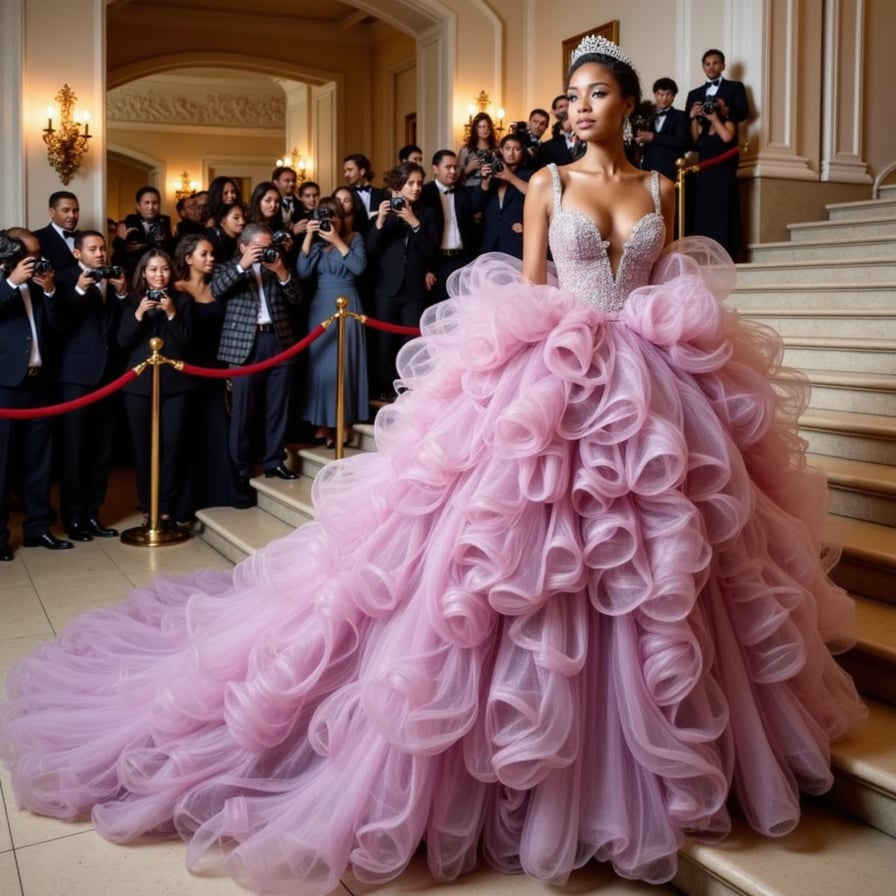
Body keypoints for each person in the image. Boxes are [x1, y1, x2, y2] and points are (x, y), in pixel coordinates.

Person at [0, 34, 866, 896]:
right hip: (558, 373)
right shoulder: (546, 184)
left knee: (659, 562)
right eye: (572, 94)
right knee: (519, 556)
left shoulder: (656, 187)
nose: (578, 105)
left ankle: (636, 746)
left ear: (628, 104)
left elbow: (658, 277)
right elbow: (532, 285)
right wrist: (544, 369)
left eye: (595, 92)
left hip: (650, 382)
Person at [211, 223, 302, 483]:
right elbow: (217, 291)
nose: (264, 252)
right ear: (243, 246)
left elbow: (297, 298)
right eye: (258, 247)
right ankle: (239, 467)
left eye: (268, 247)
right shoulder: (227, 267)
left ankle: (274, 461)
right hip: (243, 346)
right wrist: (244, 264)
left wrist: (282, 271)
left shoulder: (277, 264)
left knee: (278, 407)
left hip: (278, 340)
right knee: (243, 410)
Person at [53, 230, 129, 540]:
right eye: (93, 249)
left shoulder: (111, 278)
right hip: (75, 376)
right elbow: (56, 324)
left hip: (109, 376)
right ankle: (72, 519)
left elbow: (119, 329)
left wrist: (123, 295)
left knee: (101, 450)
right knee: (74, 450)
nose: (100, 254)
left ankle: (93, 514)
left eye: (103, 248)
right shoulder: (62, 279)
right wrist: (80, 292)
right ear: (77, 253)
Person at [0, 228, 68, 559]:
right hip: (6, 386)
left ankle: (39, 528)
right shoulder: (4, 282)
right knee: (1, 463)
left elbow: (57, 327)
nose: (41, 257)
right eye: (34, 251)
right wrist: (12, 282)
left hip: (41, 383)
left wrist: (52, 290)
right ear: (14, 253)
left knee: (40, 460)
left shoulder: (42, 283)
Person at [172, 235, 249, 515]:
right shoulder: (176, 289)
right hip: (186, 370)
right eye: (204, 254)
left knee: (218, 427)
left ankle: (221, 490)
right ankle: (185, 499)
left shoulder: (216, 289)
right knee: (189, 433)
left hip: (215, 368)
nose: (211, 258)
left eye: (212, 254)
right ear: (188, 258)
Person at [117, 248, 194, 528]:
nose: (159, 275)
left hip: (176, 386)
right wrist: (139, 312)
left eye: (163, 269)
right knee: (142, 448)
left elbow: (187, 340)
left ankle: (166, 509)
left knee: (171, 447)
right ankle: (147, 506)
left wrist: (172, 313)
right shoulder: (132, 301)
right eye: (153, 270)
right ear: (144, 273)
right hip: (138, 386)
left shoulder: (183, 301)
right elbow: (123, 341)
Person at [297, 196, 368, 447]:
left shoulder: (354, 238)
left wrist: (337, 240)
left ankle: (345, 422)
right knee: (322, 367)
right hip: (320, 307)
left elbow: (359, 268)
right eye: (324, 217)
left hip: (347, 303)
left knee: (345, 364)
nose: (329, 221)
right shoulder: (316, 246)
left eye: (333, 216)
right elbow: (302, 271)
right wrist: (308, 235)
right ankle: (323, 424)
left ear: (341, 218)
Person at [365, 160, 438, 400]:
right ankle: (384, 389)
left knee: (412, 341)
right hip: (386, 288)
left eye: (419, 183)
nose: (416, 188)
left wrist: (414, 221)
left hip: (414, 289)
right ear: (399, 186)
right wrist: (379, 221)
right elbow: (371, 251)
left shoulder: (426, 213)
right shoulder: (385, 213)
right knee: (384, 343)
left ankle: (410, 390)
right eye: (411, 183)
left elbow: (431, 251)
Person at [685, 49, 750, 258]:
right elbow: (692, 137)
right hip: (704, 158)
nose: (711, 67)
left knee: (724, 205)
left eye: (715, 63)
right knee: (705, 207)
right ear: (703, 67)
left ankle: (727, 250)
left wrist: (724, 109)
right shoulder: (694, 94)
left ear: (723, 66)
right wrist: (693, 116)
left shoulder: (735, 87)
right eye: (707, 64)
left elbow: (743, 112)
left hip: (724, 158)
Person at [420, 149, 478, 305]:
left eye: (456, 167)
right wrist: (426, 269)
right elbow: (420, 236)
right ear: (435, 168)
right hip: (436, 262)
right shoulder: (424, 194)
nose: (453, 171)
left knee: (462, 308)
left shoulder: (464, 193)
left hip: (462, 261)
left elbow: (472, 231)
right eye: (448, 167)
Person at [475, 131, 533, 259]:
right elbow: (475, 205)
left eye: (516, 149)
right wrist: (484, 181)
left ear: (522, 152)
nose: (511, 153)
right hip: (490, 242)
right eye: (507, 148)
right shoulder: (492, 174)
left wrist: (511, 177)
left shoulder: (530, 174)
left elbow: (537, 197)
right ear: (501, 150)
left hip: (516, 242)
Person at [636, 77, 690, 182]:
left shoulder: (680, 116)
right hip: (648, 166)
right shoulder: (647, 114)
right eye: (660, 94)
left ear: (673, 96)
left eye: (668, 94)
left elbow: (680, 141)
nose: (664, 98)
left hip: (670, 168)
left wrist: (653, 137)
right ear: (655, 95)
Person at [33, 191, 80, 271]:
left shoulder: (85, 237)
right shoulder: (36, 238)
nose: (72, 215)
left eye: (75, 211)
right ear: (52, 212)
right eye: (65, 210)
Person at [457, 111, 498, 188]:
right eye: (480, 127)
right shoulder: (465, 149)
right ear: (475, 129)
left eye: (487, 126)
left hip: (491, 188)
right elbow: (456, 177)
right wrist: (468, 169)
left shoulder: (496, 149)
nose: (484, 130)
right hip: (470, 189)